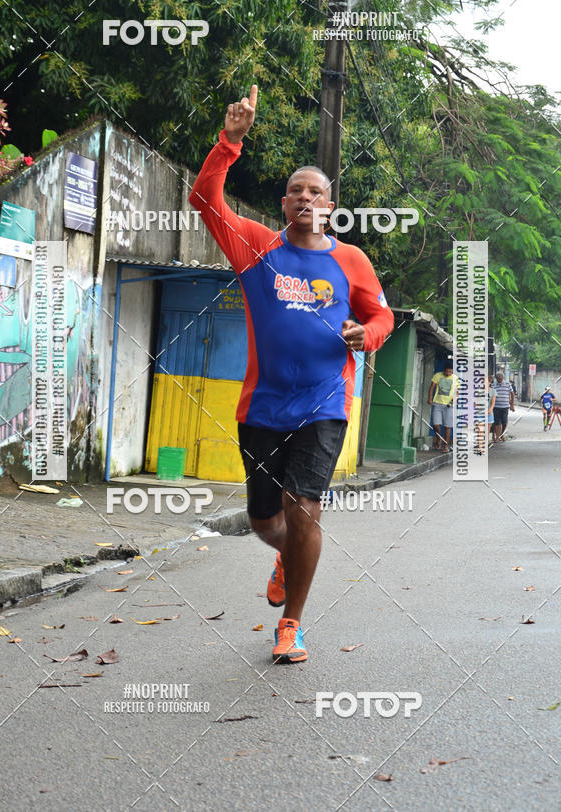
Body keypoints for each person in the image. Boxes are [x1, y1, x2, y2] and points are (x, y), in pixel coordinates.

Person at [189, 85, 394, 663]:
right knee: (265, 520)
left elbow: (382, 315)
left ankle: (292, 624)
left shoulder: (350, 260)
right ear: (284, 204)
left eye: (317, 191)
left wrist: (369, 334)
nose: (307, 197)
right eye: (297, 190)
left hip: (326, 402)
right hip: (262, 405)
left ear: (330, 206)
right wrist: (230, 143)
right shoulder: (255, 247)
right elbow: (205, 202)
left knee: (305, 507)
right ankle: (284, 553)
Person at [428, 361, 458, 453]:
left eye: (450, 371)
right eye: (447, 371)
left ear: (452, 371)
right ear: (444, 370)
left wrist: (455, 399)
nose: (448, 373)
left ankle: (445, 446)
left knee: (447, 426)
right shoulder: (438, 375)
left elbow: (457, 392)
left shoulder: (455, 378)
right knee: (436, 425)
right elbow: (432, 387)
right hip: (437, 403)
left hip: (449, 405)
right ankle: (438, 438)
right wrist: (430, 398)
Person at [492, 371, 515, 442]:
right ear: (496, 378)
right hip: (496, 407)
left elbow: (512, 393)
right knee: (497, 422)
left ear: (503, 377)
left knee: (504, 422)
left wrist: (511, 404)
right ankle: (497, 436)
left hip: (505, 407)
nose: (499, 380)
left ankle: (502, 434)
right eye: (498, 378)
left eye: (500, 378)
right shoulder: (493, 385)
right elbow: (491, 396)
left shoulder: (508, 384)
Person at [487, 375, 496, 445]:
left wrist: (490, 409)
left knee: (487, 431)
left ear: (489, 382)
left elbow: (493, 402)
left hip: (489, 413)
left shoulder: (493, 391)